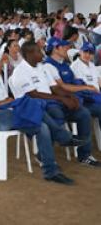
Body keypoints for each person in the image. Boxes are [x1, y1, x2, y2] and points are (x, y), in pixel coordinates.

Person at [0, 49, 75, 185]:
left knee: (42, 126)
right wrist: (2, 103)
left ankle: (50, 171)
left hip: (8, 112)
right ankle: (63, 137)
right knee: (33, 105)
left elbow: (5, 99)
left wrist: (8, 102)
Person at [41, 38, 100, 167]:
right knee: (56, 116)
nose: (66, 49)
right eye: (63, 47)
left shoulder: (64, 64)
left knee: (84, 114)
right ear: (55, 49)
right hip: (55, 104)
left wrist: (79, 89)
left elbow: (73, 82)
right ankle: (45, 155)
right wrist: (85, 88)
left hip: (68, 103)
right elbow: (60, 87)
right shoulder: (48, 65)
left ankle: (84, 155)